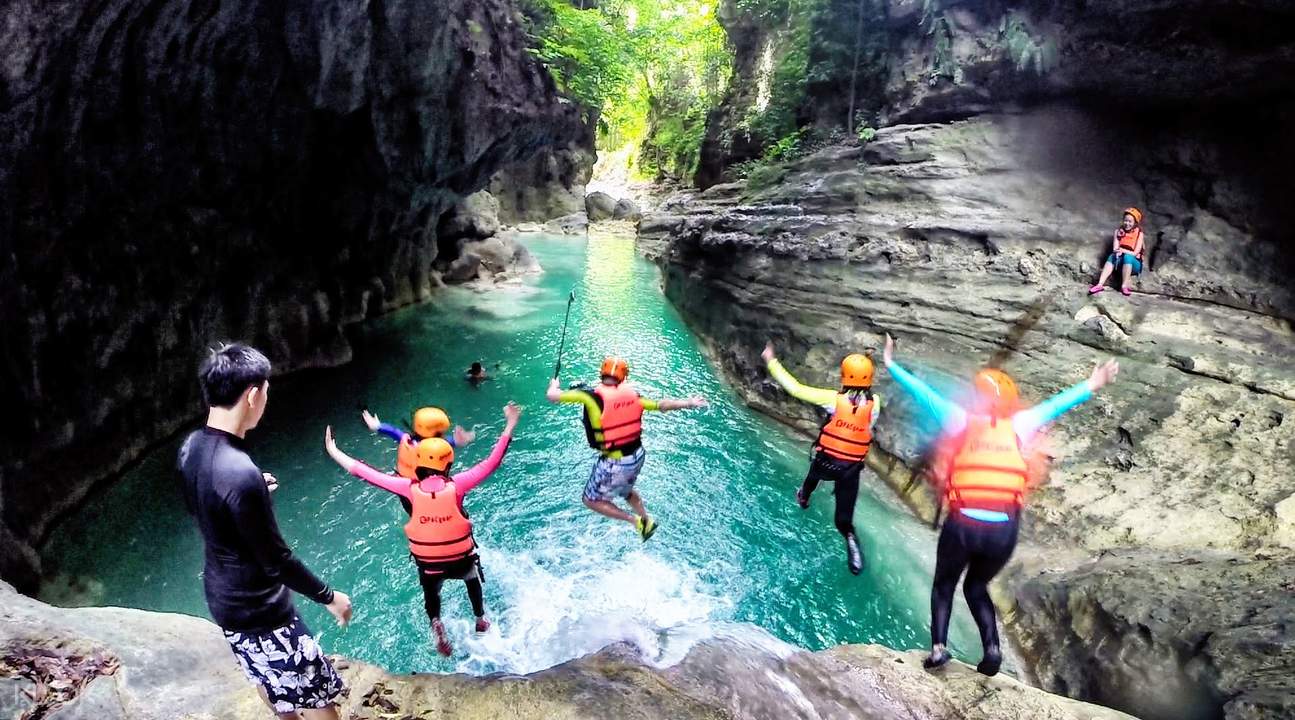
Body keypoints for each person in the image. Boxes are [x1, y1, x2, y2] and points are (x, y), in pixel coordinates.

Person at [882, 334, 1118, 676]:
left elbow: (922, 393)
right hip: (1002, 531)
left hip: (964, 524)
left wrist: (890, 364)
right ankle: (992, 649)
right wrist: (1094, 382)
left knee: (945, 585)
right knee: (976, 586)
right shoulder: (1022, 424)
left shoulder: (959, 418)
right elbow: (1059, 403)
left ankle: (938, 649)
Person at [178, 343, 351, 720]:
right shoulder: (239, 472)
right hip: (261, 608)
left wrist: (253, 493)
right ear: (253, 395)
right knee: (318, 693)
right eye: (267, 391)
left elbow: (205, 504)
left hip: (222, 599)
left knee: (265, 675)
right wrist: (329, 596)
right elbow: (276, 560)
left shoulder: (192, 447)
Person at [325, 402, 519, 658]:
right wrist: (510, 424)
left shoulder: (407, 488)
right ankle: (480, 619)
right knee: (472, 577)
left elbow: (363, 472)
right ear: (448, 462)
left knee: (431, 592)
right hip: (460, 560)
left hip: (430, 565)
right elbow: (492, 461)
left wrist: (333, 450)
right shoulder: (458, 485)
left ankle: (436, 622)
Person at [546, 357, 706, 540]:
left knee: (590, 500)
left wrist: (554, 385)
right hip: (637, 456)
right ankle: (646, 521)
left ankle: (635, 521)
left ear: (601, 373)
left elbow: (552, 397)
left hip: (616, 461)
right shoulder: (634, 397)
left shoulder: (588, 396)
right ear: (623, 378)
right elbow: (661, 405)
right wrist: (689, 402)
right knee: (625, 490)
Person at [761, 342, 882, 575]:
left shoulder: (833, 399)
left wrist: (771, 360)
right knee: (843, 521)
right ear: (869, 379)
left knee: (813, 475)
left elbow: (795, 389)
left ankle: (804, 497)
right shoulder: (874, 404)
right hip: (850, 470)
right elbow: (865, 421)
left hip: (827, 462)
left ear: (843, 376)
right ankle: (851, 543)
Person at [361, 406, 475, 511]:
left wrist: (378, 426)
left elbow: (393, 431)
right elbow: (450, 442)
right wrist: (462, 440)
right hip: (429, 490)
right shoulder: (439, 445)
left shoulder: (407, 440)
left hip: (406, 489)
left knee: (413, 511)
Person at [1089, 207, 1146, 297]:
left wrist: (1123, 251)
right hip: (1120, 262)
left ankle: (1124, 286)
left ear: (1135, 223)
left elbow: (1135, 253)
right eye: (1125, 221)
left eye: (1130, 221)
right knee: (1112, 256)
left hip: (1134, 263)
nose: (1127, 223)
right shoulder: (1118, 232)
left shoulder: (1139, 234)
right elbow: (1115, 248)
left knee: (1128, 256)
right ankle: (1100, 284)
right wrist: (1117, 252)